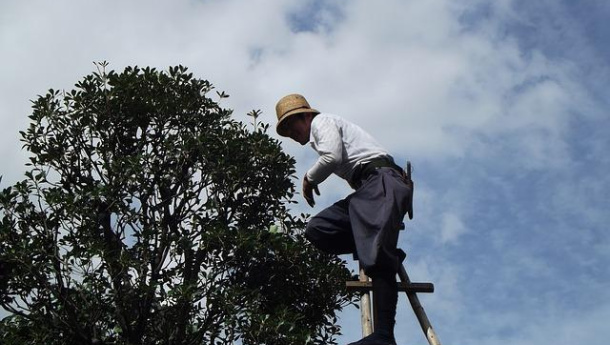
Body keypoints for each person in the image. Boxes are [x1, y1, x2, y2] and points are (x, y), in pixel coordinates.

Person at [275, 94, 413, 345]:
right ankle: (378, 247)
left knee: (378, 257)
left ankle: (383, 336)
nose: (291, 134)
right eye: (285, 130)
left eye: (290, 125)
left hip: (381, 181)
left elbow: (332, 158)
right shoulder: (319, 132)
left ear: (306, 115)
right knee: (318, 229)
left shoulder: (322, 121)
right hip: (368, 189)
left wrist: (309, 179)